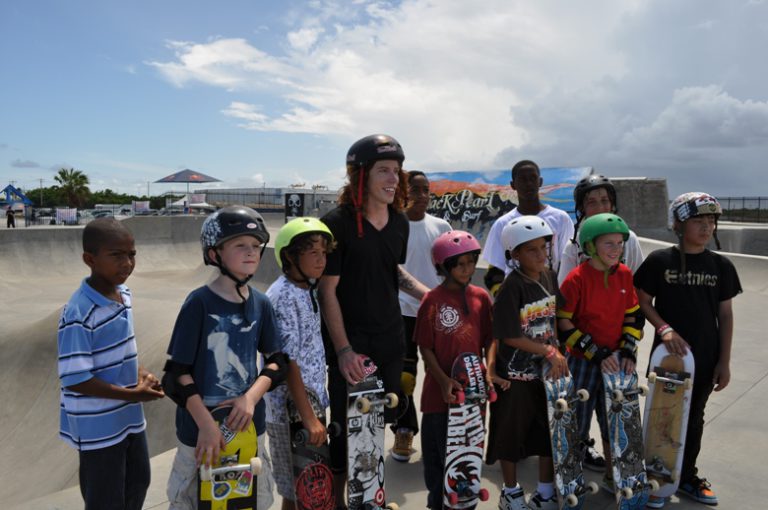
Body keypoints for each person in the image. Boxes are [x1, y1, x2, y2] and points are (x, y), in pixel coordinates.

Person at [318, 134, 429, 508]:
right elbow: (327, 291)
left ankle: (368, 499)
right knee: (346, 430)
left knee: (375, 422)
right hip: (353, 344)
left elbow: (391, 271)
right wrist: (344, 349)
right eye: (384, 170)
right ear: (359, 175)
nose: (393, 178)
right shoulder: (337, 224)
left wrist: (427, 295)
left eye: (396, 171)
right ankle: (338, 502)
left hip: (389, 338)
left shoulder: (398, 223)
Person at [162, 206, 288, 510]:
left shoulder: (261, 303)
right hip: (199, 431)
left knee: (251, 499)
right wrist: (206, 424)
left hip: (248, 429)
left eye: (256, 246)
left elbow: (277, 362)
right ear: (215, 254)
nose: (252, 252)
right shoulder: (199, 303)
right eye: (239, 245)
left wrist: (250, 398)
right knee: (190, 500)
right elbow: (176, 374)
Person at [634, 192, 741, 509]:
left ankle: (688, 477)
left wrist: (724, 361)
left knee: (694, 419)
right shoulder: (659, 261)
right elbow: (642, 300)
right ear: (678, 224)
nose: (707, 227)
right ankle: (656, 477)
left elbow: (725, 314)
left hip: (706, 359)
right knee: (661, 416)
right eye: (699, 221)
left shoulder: (721, 266)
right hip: (667, 360)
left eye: (711, 221)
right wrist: (663, 328)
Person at [57, 218, 165, 510]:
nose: (127, 263)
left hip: (129, 419)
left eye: (131, 254)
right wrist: (133, 395)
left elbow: (119, 353)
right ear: (89, 259)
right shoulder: (79, 312)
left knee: (137, 484)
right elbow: (75, 378)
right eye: (116, 255)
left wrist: (142, 375)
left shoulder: (124, 295)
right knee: (105, 499)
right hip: (97, 428)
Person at [556, 173, 644, 471]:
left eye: (604, 200)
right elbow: (563, 316)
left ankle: (617, 471)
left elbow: (633, 307)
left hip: (619, 353)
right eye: (591, 201)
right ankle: (572, 465)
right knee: (578, 414)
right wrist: (595, 352)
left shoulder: (625, 264)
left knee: (616, 418)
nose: (616, 250)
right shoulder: (575, 263)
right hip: (584, 354)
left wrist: (629, 347)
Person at [486, 216, 568, 510]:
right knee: (511, 435)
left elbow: (553, 320)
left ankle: (545, 492)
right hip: (516, 375)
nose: (540, 254)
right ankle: (510, 492)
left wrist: (557, 352)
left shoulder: (549, 277)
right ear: (514, 255)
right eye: (531, 250)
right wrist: (549, 352)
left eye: (543, 247)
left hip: (544, 374)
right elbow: (509, 335)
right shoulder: (512, 287)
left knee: (548, 432)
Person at [415, 230, 492, 509]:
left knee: (467, 466)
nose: (467, 269)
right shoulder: (432, 301)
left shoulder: (481, 298)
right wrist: (444, 380)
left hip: (472, 400)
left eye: (471, 262)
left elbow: (489, 341)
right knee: (438, 470)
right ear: (444, 267)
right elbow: (425, 348)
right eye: (460, 264)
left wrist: (490, 372)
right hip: (439, 399)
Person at [265, 217, 335, 510]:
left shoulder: (306, 289)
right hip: (290, 413)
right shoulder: (283, 296)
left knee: (307, 488)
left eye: (324, 253)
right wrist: (308, 418)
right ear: (290, 257)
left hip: (308, 404)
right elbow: (288, 361)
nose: (321, 260)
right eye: (313, 253)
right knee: (295, 490)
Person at [392, 170, 452, 462]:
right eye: (415, 190)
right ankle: (404, 429)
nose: (422, 195)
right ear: (403, 193)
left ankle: (443, 430)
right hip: (400, 312)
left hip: (436, 313)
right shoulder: (392, 226)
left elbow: (452, 268)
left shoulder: (441, 226)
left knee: (440, 372)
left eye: (426, 190)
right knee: (404, 377)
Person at [482, 160, 574, 297]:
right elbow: (494, 271)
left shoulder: (561, 219)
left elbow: (566, 262)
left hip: (551, 296)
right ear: (513, 185)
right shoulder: (502, 224)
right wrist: (506, 298)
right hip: (517, 298)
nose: (529, 184)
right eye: (523, 179)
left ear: (540, 182)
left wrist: (558, 296)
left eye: (533, 178)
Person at [558, 173, 643, 284]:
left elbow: (638, 284)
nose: (600, 208)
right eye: (592, 202)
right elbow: (565, 292)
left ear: (612, 204)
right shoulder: (573, 246)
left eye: (604, 201)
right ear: (581, 208)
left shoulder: (629, 239)